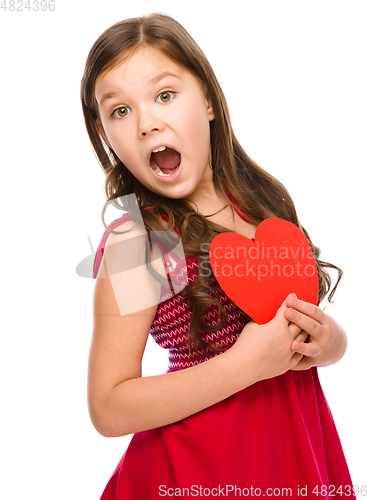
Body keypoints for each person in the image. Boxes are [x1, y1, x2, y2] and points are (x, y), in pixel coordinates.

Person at [81, 13, 354, 499]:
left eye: (165, 95)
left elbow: (309, 337)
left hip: (291, 450)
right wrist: (244, 365)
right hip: (195, 472)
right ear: (105, 134)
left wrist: (329, 341)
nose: (147, 123)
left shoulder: (261, 203)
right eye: (119, 111)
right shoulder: (139, 240)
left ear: (207, 99)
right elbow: (108, 406)